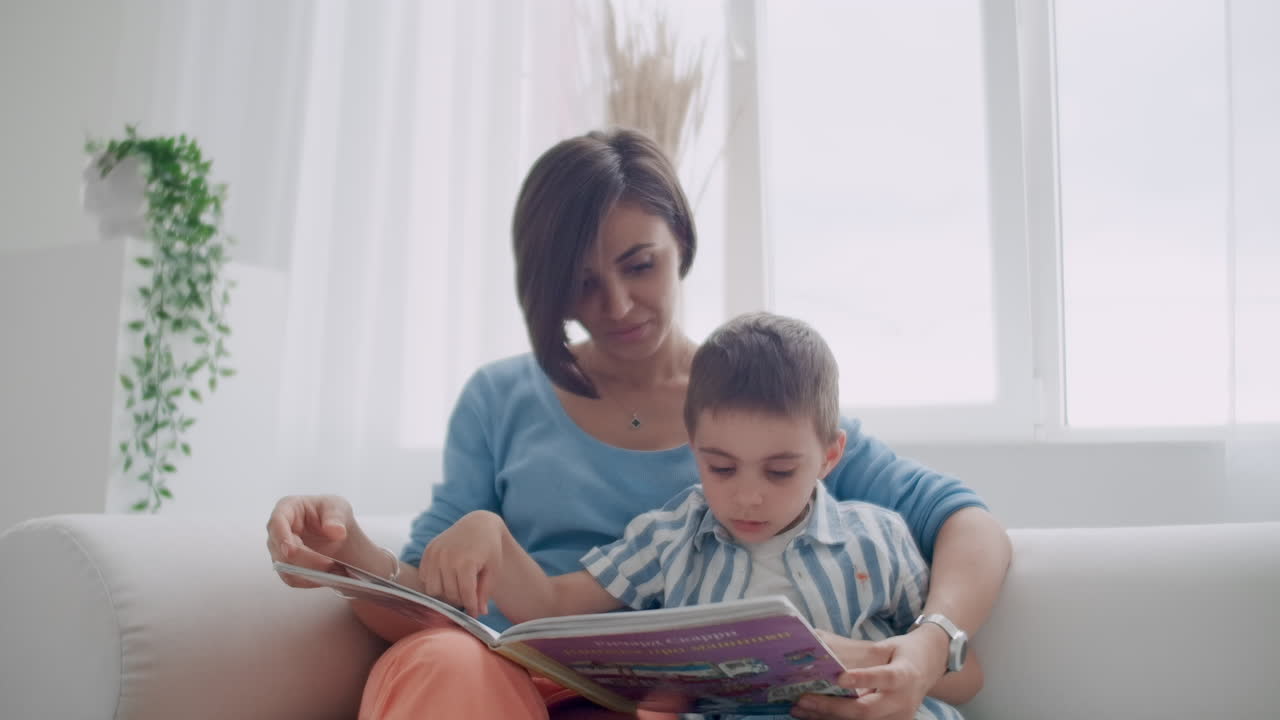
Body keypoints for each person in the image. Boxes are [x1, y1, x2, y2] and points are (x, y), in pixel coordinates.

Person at [265, 127, 1011, 720]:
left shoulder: (759, 402)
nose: (617, 304)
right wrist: (346, 553)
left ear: (680, 240)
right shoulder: (500, 400)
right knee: (443, 659)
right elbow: (432, 602)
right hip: (513, 690)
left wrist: (929, 644)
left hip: (689, 705)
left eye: (639, 264)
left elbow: (968, 525)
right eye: (583, 282)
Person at [432, 312, 980, 720]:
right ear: (694, 448)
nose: (748, 497)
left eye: (779, 471)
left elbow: (968, 676)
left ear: (829, 456)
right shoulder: (670, 538)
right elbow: (550, 608)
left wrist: (886, 668)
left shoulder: (877, 540)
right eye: (721, 468)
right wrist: (490, 533)